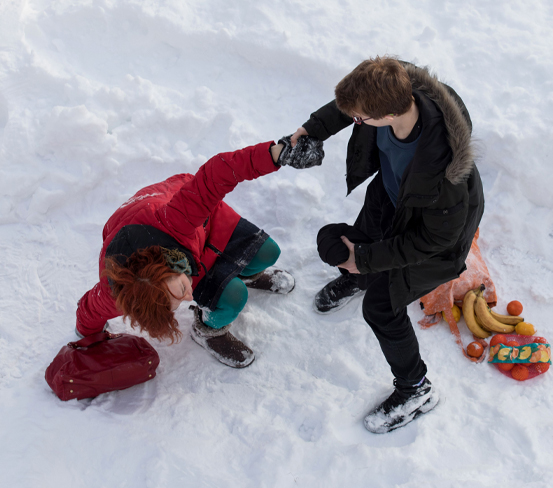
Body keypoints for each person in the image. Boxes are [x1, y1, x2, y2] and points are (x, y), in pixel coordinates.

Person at [288, 56, 484, 433]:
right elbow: (351, 106)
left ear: (389, 114)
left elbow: (433, 239)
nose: (355, 123)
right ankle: (359, 277)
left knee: (381, 307)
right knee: (363, 235)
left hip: (436, 239)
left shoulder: (445, 175)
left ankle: (416, 389)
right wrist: (312, 129)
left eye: (360, 120)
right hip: (393, 195)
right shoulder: (397, 84)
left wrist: (363, 260)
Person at [76, 138, 324, 368]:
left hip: (198, 225)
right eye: (180, 301)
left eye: (182, 290)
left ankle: (245, 274)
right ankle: (207, 332)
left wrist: (276, 153)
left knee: (268, 252)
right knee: (234, 296)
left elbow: (219, 172)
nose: (188, 299)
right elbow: (89, 310)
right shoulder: (117, 291)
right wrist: (87, 338)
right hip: (183, 250)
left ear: (170, 268)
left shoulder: (177, 218)